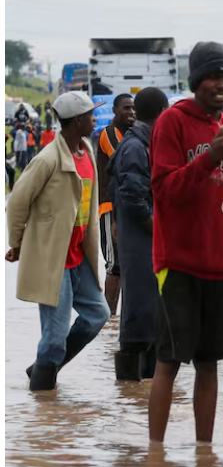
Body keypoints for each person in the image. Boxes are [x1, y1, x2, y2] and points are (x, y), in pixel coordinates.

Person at [147, 41, 223, 443]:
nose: (222, 86)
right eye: (214, 77)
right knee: (169, 362)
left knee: (209, 364)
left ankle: (203, 456)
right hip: (177, 264)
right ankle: (155, 455)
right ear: (196, 81)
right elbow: (163, 190)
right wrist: (208, 157)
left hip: (218, 267)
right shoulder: (172, 123)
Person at [6, 92, 111, 391]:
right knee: (53, 337)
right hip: (54, 259)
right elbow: (16, 203)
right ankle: (44, 407)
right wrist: (18, 242)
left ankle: (43, 367)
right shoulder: (47, 159)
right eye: (91, 115)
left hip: (79, 255)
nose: (94, 119)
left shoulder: (87, 150)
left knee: (97, 315)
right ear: (77, 121)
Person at [107, 87, 169, 382]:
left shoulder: (145, 142)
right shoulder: (135, 147)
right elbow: (133, 197)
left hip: (146, 239)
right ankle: (131, 389)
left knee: (151, 313)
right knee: (140, 312)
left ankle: (138, 395)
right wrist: (158, 229)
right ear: (162, 113)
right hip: (141, 239)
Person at [96, 93, 136, 315]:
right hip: (110, 207)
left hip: (128, 206)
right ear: (115, 111)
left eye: (133, 108)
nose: (131, 112)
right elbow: (125, 159)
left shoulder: (131, 134)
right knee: (115, 266)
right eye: (126, 108)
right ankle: (109, 319)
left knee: (128, 266)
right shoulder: (109, 133)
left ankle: (118, 321)